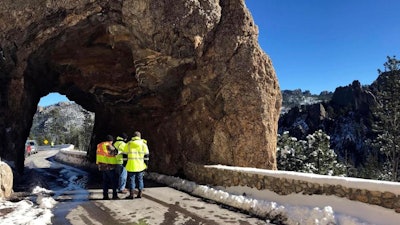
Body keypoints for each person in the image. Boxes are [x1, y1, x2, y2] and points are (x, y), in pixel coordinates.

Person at [123, 131, 149, 199]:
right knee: (140, 179)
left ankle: (131, 194)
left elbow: (124, 155)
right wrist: (146, 164)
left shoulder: (128, 144)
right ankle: (140, 193)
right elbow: (146, 156)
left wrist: (125, 164)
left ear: (133, 136)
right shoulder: (143, 144)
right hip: (140, 165)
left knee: (131, 180)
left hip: (131, 165)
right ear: (140, 136)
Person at [96, 135, 119, 200]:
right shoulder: (108, 145)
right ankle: (114, 195)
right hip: (109, 166)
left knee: (105, 182)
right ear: (110, 140)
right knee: (114, 181)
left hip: (102, 166)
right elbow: (114, 153)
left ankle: (105, 196)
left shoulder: (99, 145)